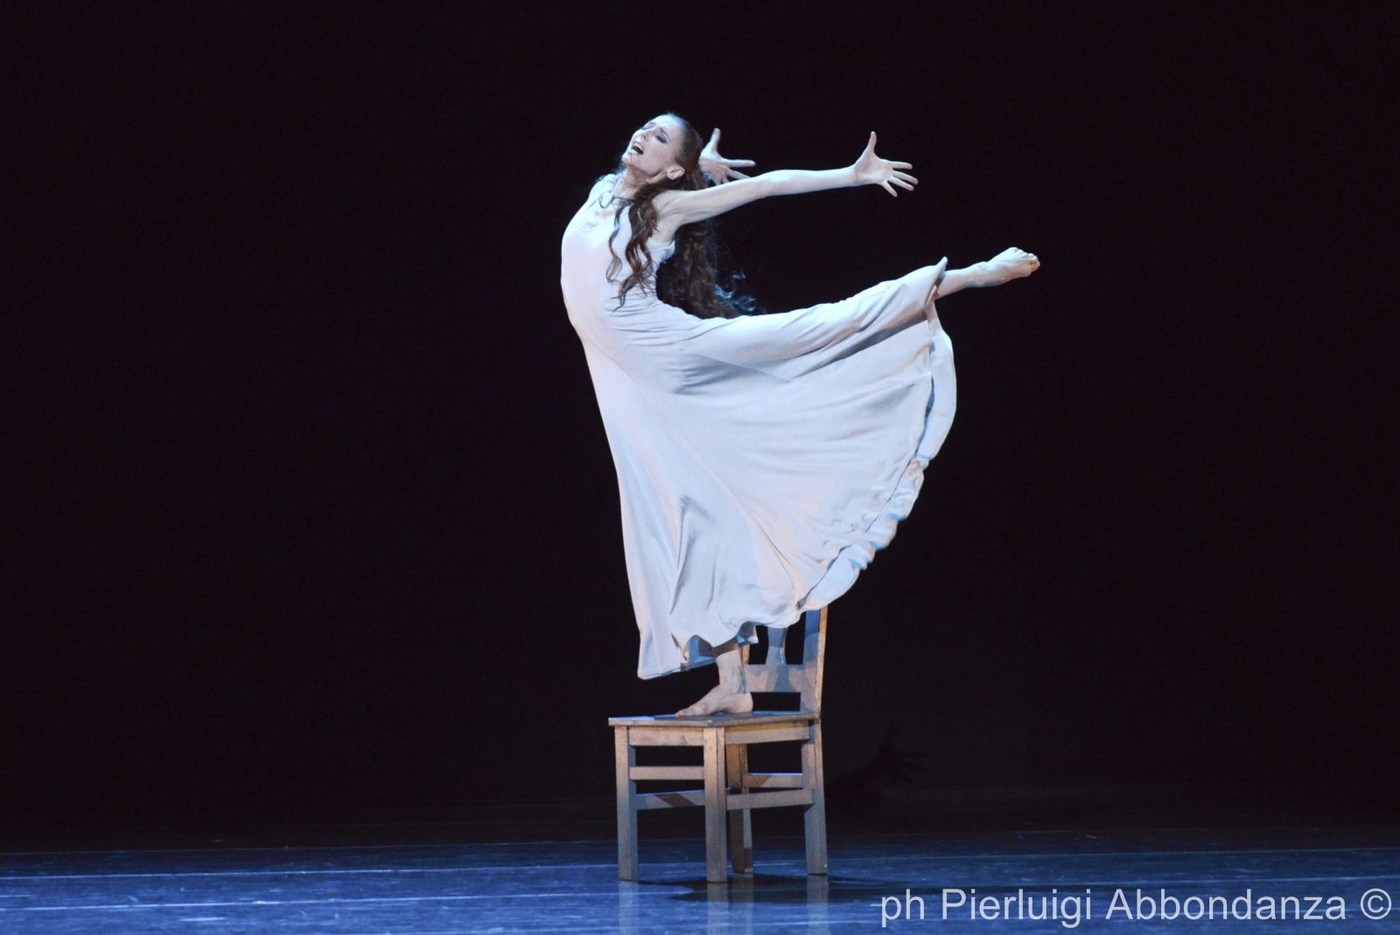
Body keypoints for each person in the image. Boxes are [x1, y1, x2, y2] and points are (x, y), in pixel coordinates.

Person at [561, 113, 1037, 717]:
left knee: (804, 333)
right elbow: (672, 180)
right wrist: (703, 166)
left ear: (671, 170)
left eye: (658, 138)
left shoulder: (662, 212)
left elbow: (762, 187)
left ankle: (966, 277)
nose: (641, 136)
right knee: (682, 512)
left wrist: (850, 175)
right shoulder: (605, 192)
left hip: (664, 354)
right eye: (645, 129)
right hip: (625, 383)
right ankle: (733, 685)